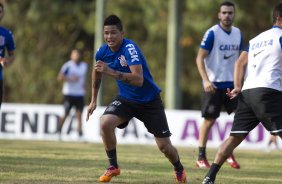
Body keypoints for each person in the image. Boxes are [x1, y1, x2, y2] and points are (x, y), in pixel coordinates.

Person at [86, 15, 187, 183]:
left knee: (164, 147)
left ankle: (179, 168)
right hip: (126, 100)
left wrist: (110, 71)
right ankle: (113, 166)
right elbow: (96, 71)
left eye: (113, 33)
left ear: (122, 33)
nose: (109, 37)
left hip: (149, 101)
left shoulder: (129, 48)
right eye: (106, 33)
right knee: (105, 122)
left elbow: (138, 80)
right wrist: (93, 100)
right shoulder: (102, 51)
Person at [202, 3, 282, 183]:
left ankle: (209, 177)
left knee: (234, 137)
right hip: (268, 91)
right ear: (279, 18)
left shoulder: (256, 39)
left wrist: (238, 86)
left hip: (247, 92)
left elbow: (239, 63)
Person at [195, 1, 242, 169]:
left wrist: (240, 82)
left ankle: (228, 152)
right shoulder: (212, 33)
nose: (227, 16)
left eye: (230, 13)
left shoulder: (238, 33)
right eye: (224, 13)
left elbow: (239, 60)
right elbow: (199, 58)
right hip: (213, 84)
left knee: (240, 118)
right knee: (209, 120)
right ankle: (201, 156)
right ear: (219, 15)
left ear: (234, 14)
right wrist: (206, 80)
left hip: (231, 84)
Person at [57, 49, 88, 139]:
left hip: (80, 94)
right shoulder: (68, 66)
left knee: (79, 114)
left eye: (77, 55)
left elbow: (84, 79)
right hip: (69, 93)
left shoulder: (84, 66)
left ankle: (79, 133)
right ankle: (59, 130)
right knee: (66, 113)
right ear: (71, 56)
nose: (76, 56)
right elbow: (60, 77)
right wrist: (70, 79)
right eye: (74, 55)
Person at [0, 2, 16, 109]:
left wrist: (6, 61)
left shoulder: (7, 34)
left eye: (0, 12)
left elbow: (12, 55)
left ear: (2, 14)